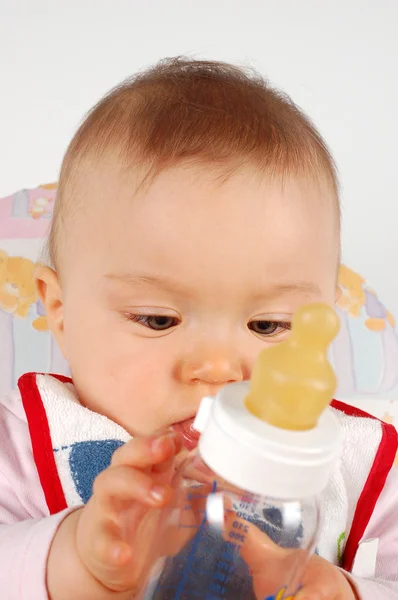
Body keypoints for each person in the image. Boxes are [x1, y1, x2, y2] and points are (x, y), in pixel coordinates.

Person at [0, 57, 397, 600]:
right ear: (61, 312)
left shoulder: (364, 473)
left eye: (268, 324)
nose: (217, 369)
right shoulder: (22, 449)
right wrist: (73, 561)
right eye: (158, 319)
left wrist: (348, 593)